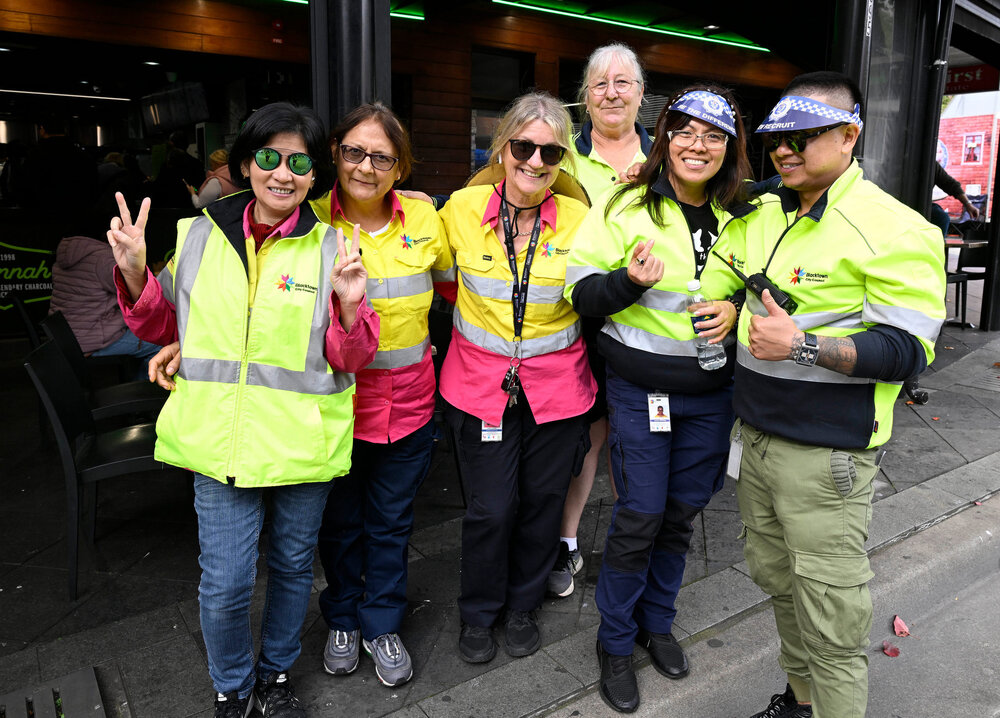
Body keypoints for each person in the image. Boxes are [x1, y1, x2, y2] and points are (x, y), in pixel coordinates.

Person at [108, 102, 379, 718]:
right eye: (268, 157)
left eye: (299, 162)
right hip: (220, 441)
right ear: (245, 163)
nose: (282, 173)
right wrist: (132, 274)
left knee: (290, 570)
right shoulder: (198, 234)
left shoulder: (334, 247)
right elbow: (160, 322)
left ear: (316, 176)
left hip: (300, 445)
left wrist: (350, 307)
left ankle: (277, 675)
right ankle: (232, 684)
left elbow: (350, 355)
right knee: (226, 581)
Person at [736, 72, 945, 718]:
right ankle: (800, 704)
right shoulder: (768, 210)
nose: (784, 150)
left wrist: (802, 345)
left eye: (804, 135)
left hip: (827, 461)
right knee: (779, 588)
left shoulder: (895, 226)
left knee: (831, 621)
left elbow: (907, 351)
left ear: (850, 134)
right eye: (776, 138)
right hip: (757, 446)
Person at [565, 85, 755, 713]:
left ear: (730, 147)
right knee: (640, 513)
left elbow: (776, 298)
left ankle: (657, 622)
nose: (697, 145)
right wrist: (628, 281)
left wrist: (737, 308)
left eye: (713, 135)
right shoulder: (623, 204)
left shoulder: (749, 215)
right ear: (665, 137)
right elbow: (581, 295)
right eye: (685, 131)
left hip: (710, 396)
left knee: (681, 512)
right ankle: (615, 643)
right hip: (641, 390)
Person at [439, 91, 595, 665]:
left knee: (541, 503)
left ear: (562, 160)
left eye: (550, 153)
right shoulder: (458, 209)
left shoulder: (584, 220)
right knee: (491, 508)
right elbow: (423, 271)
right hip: (479, 389)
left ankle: (523, 604)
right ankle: (479, 613)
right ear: (503, 148)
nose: (535, 162)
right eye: (524, 147)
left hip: (558, 391)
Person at [310, 102, 454, 688]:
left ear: (400, 168)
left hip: (411, 406)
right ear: (335, 155)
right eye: (354, 152)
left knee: (391, 523)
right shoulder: (308, 221)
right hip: (335, 408)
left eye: (382, 157)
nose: (365, 167)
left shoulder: (425, 220)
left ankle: (381, 623)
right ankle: (342, 616)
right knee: (340, 525)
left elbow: (455, 288)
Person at [547, 41, 655, 599]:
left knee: (634, 432)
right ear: (584, 98)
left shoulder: (668, 155)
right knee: (586, 432)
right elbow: (500, 189)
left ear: (641, 93)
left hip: (654, 315)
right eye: (598, 83)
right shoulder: (561, 154)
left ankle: (634, 543)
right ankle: (566, 540)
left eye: (622, 82)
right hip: (580, 311)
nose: (611, 92)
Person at [49, 235, 161, 371]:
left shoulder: (67, 254)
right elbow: (138, 294)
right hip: (90, 340)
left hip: (65, 337)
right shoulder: (104, 259)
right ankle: (143, 388)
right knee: (163, 342)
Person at [930, 161, 980, 237]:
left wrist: (968, 204)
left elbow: (950, 184)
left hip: (923, 207)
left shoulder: (931, 164)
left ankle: (936, 247)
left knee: (941, 217)